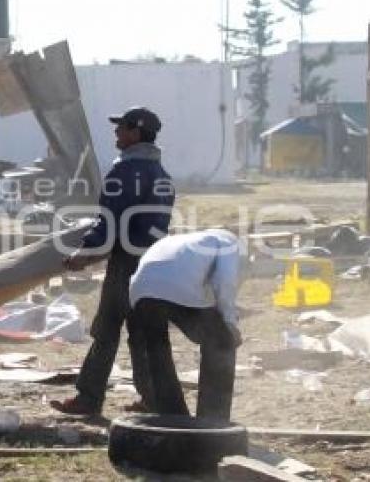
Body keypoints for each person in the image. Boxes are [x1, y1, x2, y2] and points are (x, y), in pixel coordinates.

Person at [51, 106, 174, 415]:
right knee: (144, 336)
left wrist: (85, 252)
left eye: (122, 127)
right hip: (154, 263)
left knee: (106, 330)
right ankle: (154, 399)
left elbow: (109, 220)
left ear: (136, 132)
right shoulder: (161, 174)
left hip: (125, 264)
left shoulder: (124, 172)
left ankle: (88, 398)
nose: (116, 132)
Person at [128, 229, 243, 421]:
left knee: (157, 353)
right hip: (178, 287)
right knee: (222, 342)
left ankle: (172, 416)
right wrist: (229, 322)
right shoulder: (228, 241)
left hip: (140, 291)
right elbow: (225, 281)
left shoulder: (180, 241)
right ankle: (213, 418)